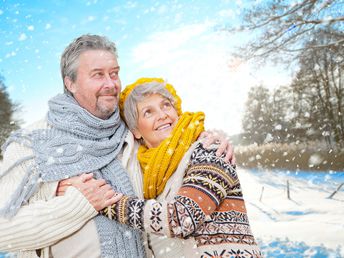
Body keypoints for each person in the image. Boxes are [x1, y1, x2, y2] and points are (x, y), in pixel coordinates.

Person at [0, 34, 233, 258]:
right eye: (98, 75)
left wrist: (208, 138)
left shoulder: (132, 132)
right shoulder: (32, 144)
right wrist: (79, 203)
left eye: (114, 73)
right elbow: (3, 231)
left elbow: (175, 137)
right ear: (69, 83)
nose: (111, 84)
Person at [99, 78, 262, 257]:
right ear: (136, 131)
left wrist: (107, 203)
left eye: (166, 105)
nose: (162, 115)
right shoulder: (148, 175)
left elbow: (182, 218)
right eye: (148, 112)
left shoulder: (209, 150)